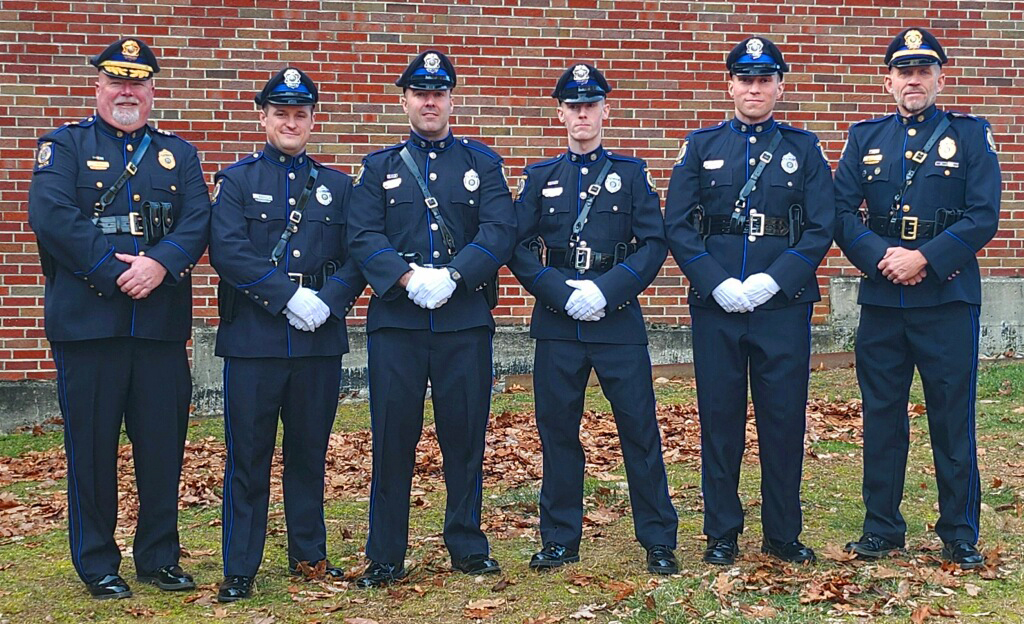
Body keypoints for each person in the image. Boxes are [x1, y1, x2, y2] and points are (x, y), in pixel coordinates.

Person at [27, 38, 209, 599]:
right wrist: (113, 272)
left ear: (152, 91)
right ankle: (97, 563)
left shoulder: (179, 155)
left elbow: (197, 220)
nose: (127, 91)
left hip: (158, 327)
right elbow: (52, 216)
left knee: (162, 449)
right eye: (116, 81)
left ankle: (159, 557)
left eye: (138, 82)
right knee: (91, 450)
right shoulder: (64, 146)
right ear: (99, 86)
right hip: (89, 328)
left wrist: (160, 263)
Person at [347, 50, 516, 588]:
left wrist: (455, 275)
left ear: (451, 101)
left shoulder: (481, 164)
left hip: (462, 320)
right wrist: (404, 277)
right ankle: (385, 554)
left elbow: (499, 230)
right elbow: (362, 234)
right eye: (420, 93)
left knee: (464, 438)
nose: (429, 102)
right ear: (404, 101)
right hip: (397, 322)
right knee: (392, 438)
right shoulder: (379, 167)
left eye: (438, 93)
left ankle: (467, 544)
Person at [664, 36, 834, 565]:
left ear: (779, 86)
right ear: (730, 85)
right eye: (745, 79)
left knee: (782, 420)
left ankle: (782, 533)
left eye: (764, 80)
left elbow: (820, 226)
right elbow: (678, 224)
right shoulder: (700, 147)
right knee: (720, 420)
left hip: (782, 307)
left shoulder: (804, 149)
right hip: (716, 306)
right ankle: (722, 532)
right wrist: (713, 281)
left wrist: (776, 280)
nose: (754, 88)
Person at [834, 28, 1000, 570]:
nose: (913, 80)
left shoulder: (970, 135)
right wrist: (882, 256)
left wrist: (924, 257)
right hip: (884, 300)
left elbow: (983, 214)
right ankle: (882, 527)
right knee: (882, 417)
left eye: (923, 71)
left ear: (939, 80)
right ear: (888, 81)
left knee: (952, 419)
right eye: (904, 72)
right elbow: (840, 212)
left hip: (947, 299)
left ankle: (959, 532)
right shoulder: (864, 137)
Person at [507, 64, 679, 574]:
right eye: (573, 106)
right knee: (558, 431)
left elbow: (653, 243)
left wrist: (607, 289)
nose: (582, 114)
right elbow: (516, 245)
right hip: (558, 322)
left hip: (617, 318)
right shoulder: (540, 177)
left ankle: (658, 539)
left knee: (640, 430)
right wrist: (558, 292)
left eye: (591, 105)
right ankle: (560, 538)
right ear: (560, 113)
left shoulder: (632, 174)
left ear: (606, 110)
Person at [207, 67, 367, 602]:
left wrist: (328, 301)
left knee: (309, 453)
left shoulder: (339, 187)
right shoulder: (237, 181)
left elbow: (359, 253)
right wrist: (287, 297)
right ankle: (240, 567)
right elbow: (228, 251)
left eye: (301, 114)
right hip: (254, 341)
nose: (291, 123)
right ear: (263, 117)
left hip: (318, 337)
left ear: (313, 120)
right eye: (281, 114)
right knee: (248, 458)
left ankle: (309, 555)